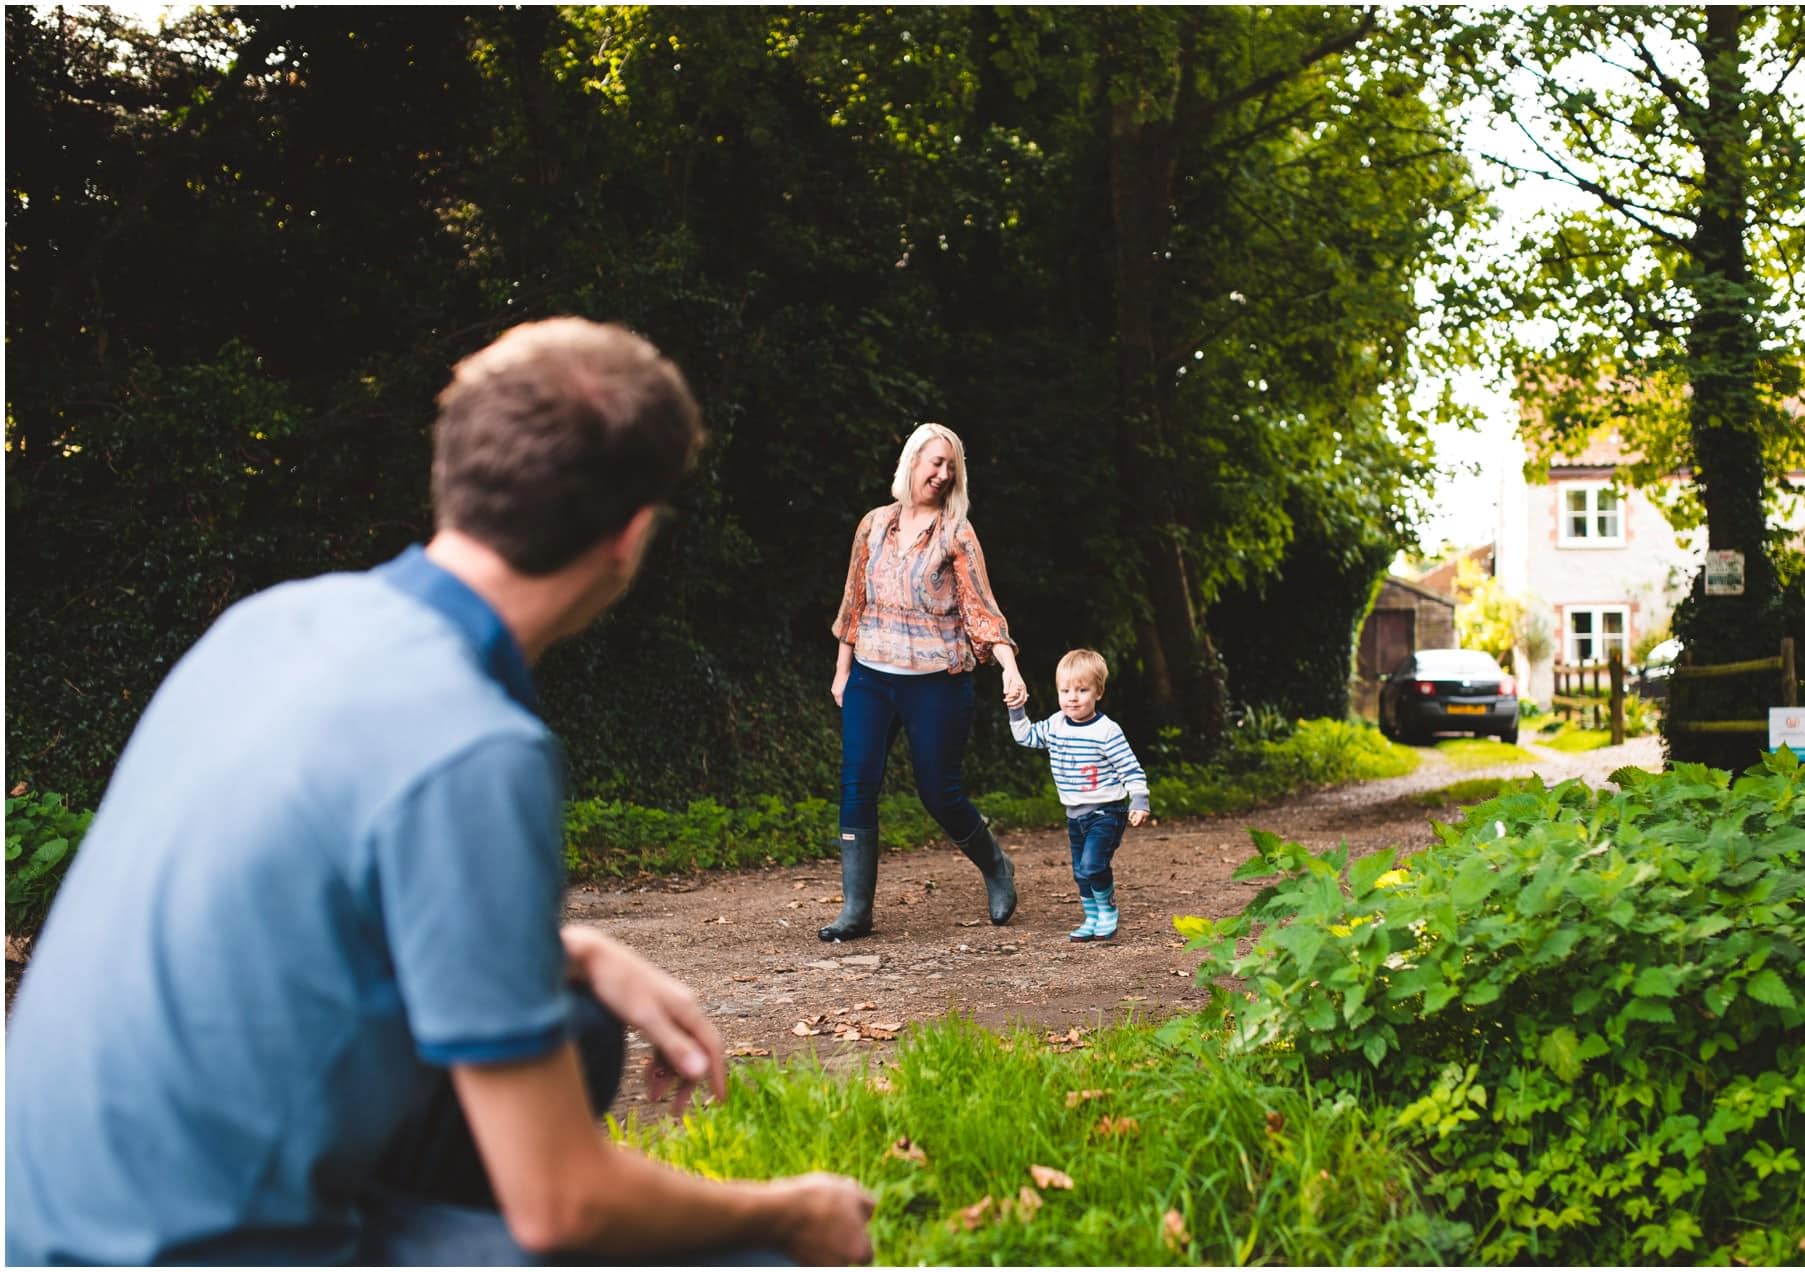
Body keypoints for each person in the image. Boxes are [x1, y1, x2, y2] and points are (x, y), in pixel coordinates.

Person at [4, 318, 876, 1266]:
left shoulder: (277, 622)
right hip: (171, 1253)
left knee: (574, 1026)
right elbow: (565, 1208)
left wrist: (575, 951)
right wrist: (792, 1211)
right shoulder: (474, 745)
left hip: (38, 1213)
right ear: (629, 539)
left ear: (456, 474)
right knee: (755, 1259)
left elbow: (296, 911)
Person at [819, 422, 1028, 942]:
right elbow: (853, 602)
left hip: (936, 681)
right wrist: (843, 672)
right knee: (856, 785)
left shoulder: (957, 532)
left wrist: (1010, 666)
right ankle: (856, 911)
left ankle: (996, 866)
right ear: (911, 462)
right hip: (871, 675)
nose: (941, 474)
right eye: (934, 462)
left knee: (939, 792)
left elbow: (981, 609)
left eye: (950, 467)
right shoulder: (873, 525)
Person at [1008, 649, 1150, 942]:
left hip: (1106, 811)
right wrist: (1017, 710)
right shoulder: (1056, 724)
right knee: (1080, 872)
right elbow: (1026, 737)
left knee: (1093, 866)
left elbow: (1130, 768)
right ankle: (1092, 917)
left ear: (1098, 692)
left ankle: (1108, 910)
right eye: (1065, 690)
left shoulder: (1107, 731)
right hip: (1074, 814)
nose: (1072, 697)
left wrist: (1139, 799)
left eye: (1082, 690)